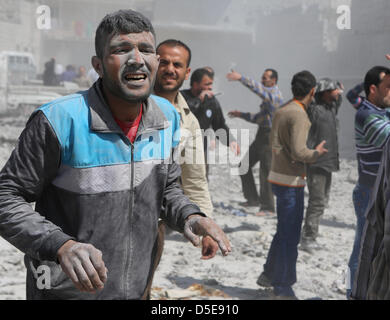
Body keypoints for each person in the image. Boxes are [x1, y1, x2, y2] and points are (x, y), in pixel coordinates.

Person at [0, 9, 231, 300]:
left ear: (155, 62)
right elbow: (6, 197)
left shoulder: (168, 118)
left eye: (146, 49)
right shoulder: (58, 120)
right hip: (66, 291)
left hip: (134, 288)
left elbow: (168, 188)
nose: (136, 58)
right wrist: (60, 245)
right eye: (122, 49)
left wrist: (191, 216)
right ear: (98, 65)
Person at [257, 71, 328, 300]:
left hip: (277, 177)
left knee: (284, 230)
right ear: (312, 91)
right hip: (291, 182)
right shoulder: (298, 114)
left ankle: (268, 273)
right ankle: (283, 286)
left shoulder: (283, 109)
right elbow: (299, 151)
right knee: (290, 236)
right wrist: (316, 153)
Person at [154, 39, 214, 218]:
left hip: (154, 217)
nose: (170, 69)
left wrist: (206, 222)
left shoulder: (188, 121)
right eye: (163, 62)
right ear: (153, 64)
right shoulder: (130, 103)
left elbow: (195, 180)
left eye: (177, 65)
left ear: (186, 72)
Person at [346, 66, 390, 299]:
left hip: (379, 193)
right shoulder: (367, 115)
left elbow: (352, 95)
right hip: (369, 193)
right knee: (363, 252)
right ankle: (353, 293)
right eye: (389, 87)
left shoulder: (378, 109)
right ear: (373, 89)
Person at [226, 69, 284, 215]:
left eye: (265, 78)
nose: (263, 81)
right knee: (243, 165)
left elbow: (258, 89)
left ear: (274, 81)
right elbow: (259, 118)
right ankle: (252, 199)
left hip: (270, 137)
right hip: (261, 135)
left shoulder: (274, 96)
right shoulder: (268, 100)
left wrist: (241, 77)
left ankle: (268, 207)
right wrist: (241, 115)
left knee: (266, 172)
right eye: (262, 78)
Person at [300, 78, 343, 253]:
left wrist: (338, 90)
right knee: (317, 201)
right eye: (334, 91)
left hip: (329, 162)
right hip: (317, 162)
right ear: (325, 92)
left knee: (323, 201)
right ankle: (308, 238)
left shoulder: (330, 108)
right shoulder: (315, 110)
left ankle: (311, 235)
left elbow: (339, 99)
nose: (337, 94)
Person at [181, 68, 240, 178]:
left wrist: (231, 141)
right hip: (178, 151)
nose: (210, 88)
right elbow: (183, 116)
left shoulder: (212, 102)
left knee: (199, 186)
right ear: (195, 84)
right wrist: (199, 100)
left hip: (199, 152)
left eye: (211, 84)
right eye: (207, 84)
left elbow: (219, 125)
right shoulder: (181, 97)